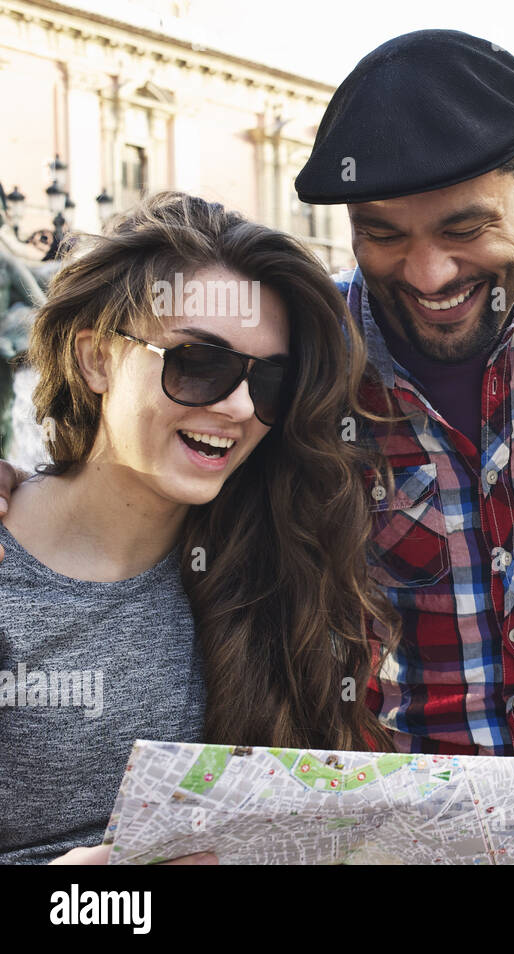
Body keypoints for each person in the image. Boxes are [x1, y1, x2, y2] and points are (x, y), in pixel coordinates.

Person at [0, 30, 514, 863]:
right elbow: (142, 456)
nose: (428, 274)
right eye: (382, 233)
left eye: (464, 228)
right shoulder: (306, 364)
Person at [0, 192, 391, 864]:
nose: (238, 405)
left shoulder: (276, 570)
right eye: (197, 363)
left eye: (270, 380)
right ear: (98, 360)